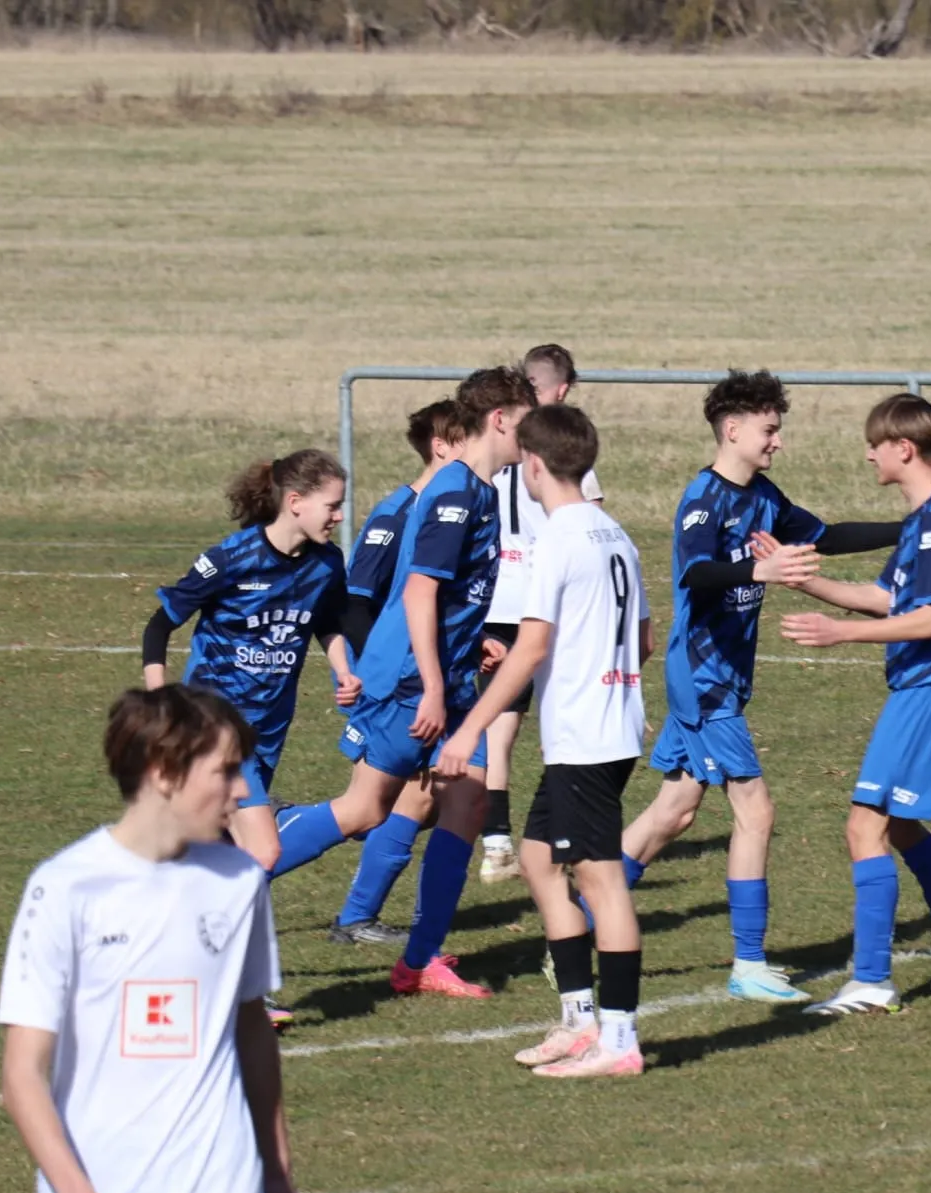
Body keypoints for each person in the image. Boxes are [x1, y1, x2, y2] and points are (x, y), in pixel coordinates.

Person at [0, 685, 303, 1193]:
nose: (242, 790)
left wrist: (277, 1168)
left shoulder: (239, 881)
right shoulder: (65, 887)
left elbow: (252, 1029)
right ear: (164, 771)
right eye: (226, 771)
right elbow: (22, 1073)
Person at [618, 369, 901, 1005]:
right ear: (733, 429)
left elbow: (826, 535)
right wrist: (759, 568)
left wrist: (907, 527)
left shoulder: (765, 497)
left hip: (720, 679)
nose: (777, 441)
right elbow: (695, 573)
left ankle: (576, 924)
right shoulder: (704, 498)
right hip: (704, 680)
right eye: (769, 430)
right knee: (757, 810)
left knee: (673, 813)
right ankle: (748, 963)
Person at [269, 366, 535, 999]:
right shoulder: (453, 494)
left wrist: (475, 640)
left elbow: (451, 595)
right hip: (412, 681)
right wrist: (436, 688)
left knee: (466, 802)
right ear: (500, 420)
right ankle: (228, 875)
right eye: (529, 423)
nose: (535, 437)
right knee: (364, 809)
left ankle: (419, 962)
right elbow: (418, 593)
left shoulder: (481, 489)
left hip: (447, 674)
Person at [436, 404, 654, 1077]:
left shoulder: (556, 538)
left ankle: (620, 1041)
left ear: (532, 465)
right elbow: (643, 639)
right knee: (536, 859)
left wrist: (470, 728)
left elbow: (531, 647)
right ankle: (580, 1021)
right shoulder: (616, 533)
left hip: (587, 736)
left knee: (600, 880)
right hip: (607, 728)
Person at [778, 393, 931, 1016]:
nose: (869, 455)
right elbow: (886, 599)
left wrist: (837, 634)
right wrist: (802, 579)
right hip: (927, 686)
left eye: (875, 445)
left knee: (864, 826)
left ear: (904, 448)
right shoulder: (927, 520)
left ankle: (872, 981)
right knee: (898, 824)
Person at [141, 449, 357, 875]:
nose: (340, 516)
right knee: (263, 851)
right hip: (216, 722)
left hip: (270, 727)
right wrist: (159, 702)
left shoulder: (327, 563)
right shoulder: (232, 559)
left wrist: (344, 669)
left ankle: (171, 903)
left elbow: (327, 621)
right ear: (295, 502)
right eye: (332, 506)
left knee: (218, 849)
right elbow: (159, 626)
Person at [328, 398, 458, 946]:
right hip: (386, 681)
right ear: (442, 447)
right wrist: (367, 676)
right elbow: (355, 602)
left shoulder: (450, 508)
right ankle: (274, 834)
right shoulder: (397, 513)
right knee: (377, 805)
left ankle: (356, 915)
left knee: (419, 800)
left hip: (420, 676)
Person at [476, 344, 604, 887]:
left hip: (494, 600)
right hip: (544, 604)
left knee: (499, 730)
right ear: (564, 388)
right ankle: (561, 836)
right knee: (560, 723)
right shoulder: (562, 450)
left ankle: (497, 843)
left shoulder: (498, 445)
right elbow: (590, 530)